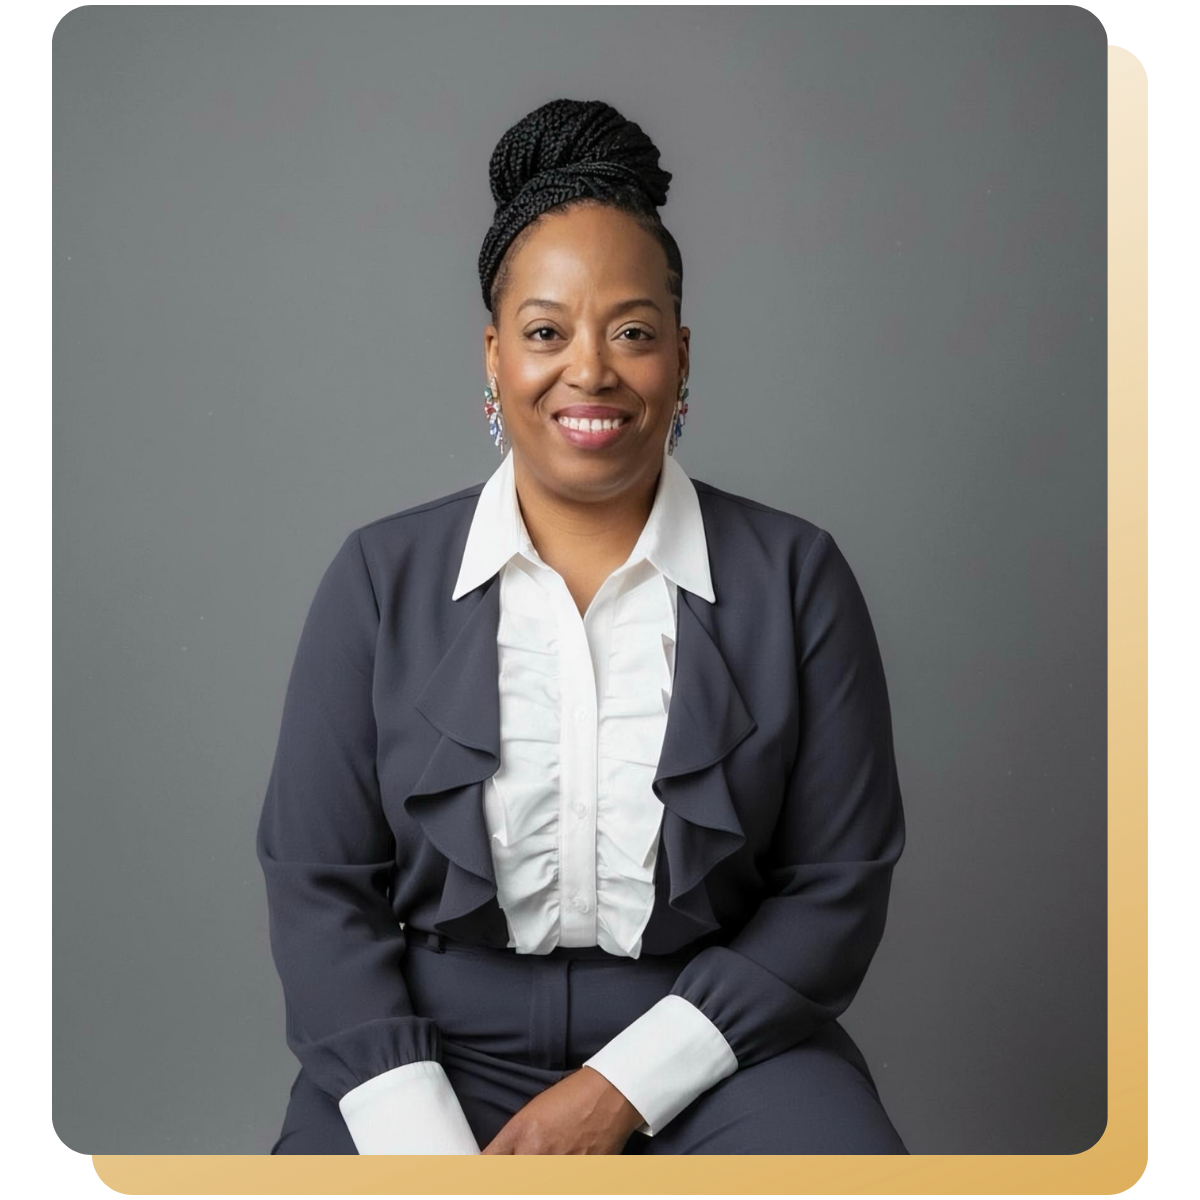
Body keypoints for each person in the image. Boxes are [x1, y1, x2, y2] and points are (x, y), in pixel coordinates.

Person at [257, 97, 909, 1155]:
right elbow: (315, 880)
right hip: (420, 1045)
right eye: (547, 332)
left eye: (635, 332)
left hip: (715, 1041)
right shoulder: (381, 575)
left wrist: (621, 1089)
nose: (591, 370)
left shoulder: (796, 575)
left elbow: (837, 885)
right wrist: (411, 1121)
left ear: (683, 358)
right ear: (493, 355)